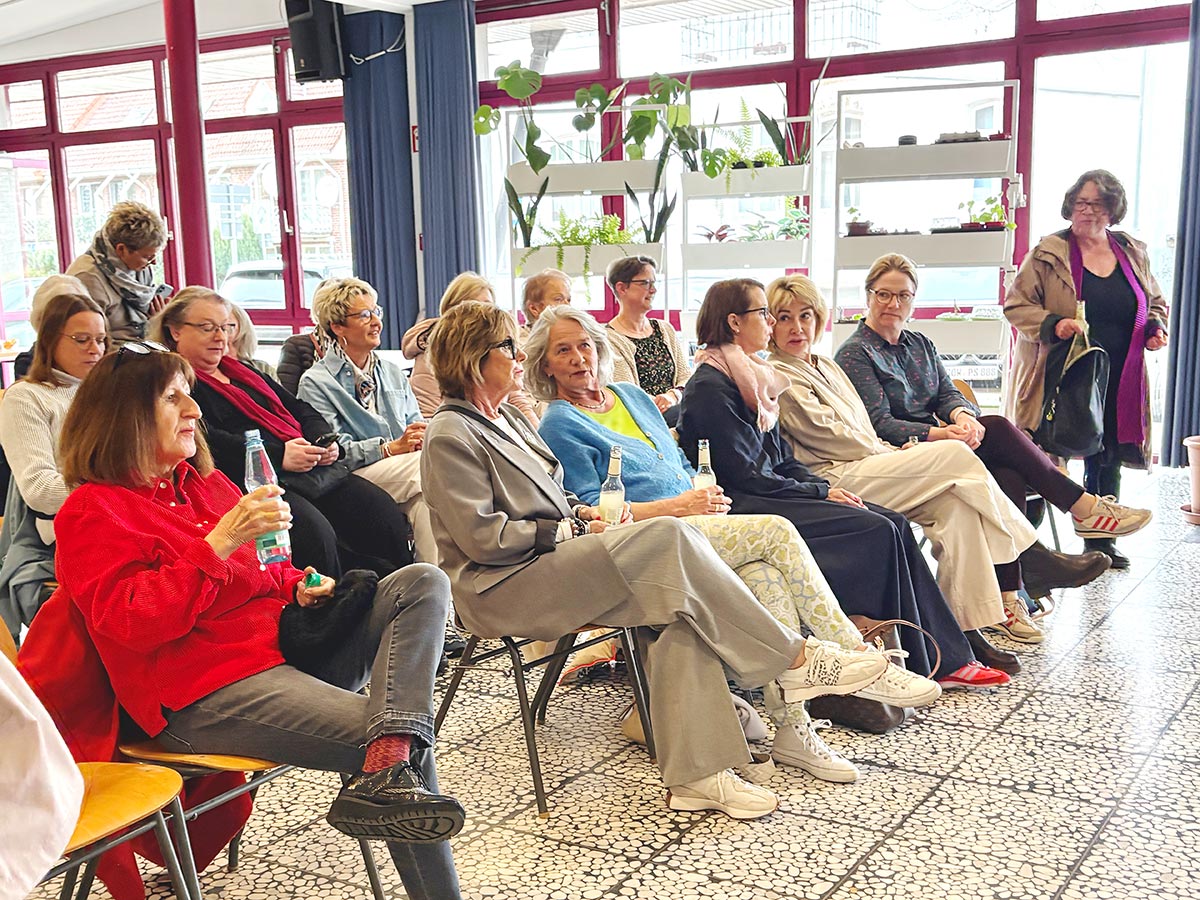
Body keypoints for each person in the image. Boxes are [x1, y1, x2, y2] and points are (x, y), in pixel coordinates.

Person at [421, 301, 894, 819]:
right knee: (669, 538)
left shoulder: (508, 416)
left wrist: (584, 514)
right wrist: (573, 526)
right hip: (503, 585)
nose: (516, 358)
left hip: (550, 560)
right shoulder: (450, 434)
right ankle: (797, 660)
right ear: (473, 360)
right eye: (508, 347)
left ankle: (699, 777)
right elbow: (485, 539)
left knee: (679, 608)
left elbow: (556, 495)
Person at [34, 345, 465, 898]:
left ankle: (387, 759)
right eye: (174, 397)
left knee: (423, 580)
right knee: (407, 749)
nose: (194, 410)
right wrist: (221, 540)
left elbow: (265, 569)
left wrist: (298, 586)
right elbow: (133, 622)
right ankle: (394, 771)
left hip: (283, 649)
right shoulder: (94, 511)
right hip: (196, 695)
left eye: (189, 392)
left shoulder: (202, 485)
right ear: (124, 416)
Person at [528, 305, 941, 782]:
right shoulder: (559, 423)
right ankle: (859, 658)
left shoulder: (631, 396)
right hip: (646, 544)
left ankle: (794, 731)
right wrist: (679, 507)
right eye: (563, 350)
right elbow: (593, 512)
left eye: (584, 345)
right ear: (545, 365)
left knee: (768, 579)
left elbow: (678, 467)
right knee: (777, 530)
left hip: (696, 524)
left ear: (600, 349)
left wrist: (702, 497)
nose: (579, 357)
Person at [766, 274, 1143, 656]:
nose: (797, 327)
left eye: (805, 316)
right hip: (837, 476)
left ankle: (962, 636)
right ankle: (1032, 553)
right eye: (784, 318)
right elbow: (831, 436)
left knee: (958, 507)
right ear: (769, 323)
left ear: (820, 317)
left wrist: (957, 418)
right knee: (960, 456)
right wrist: (906, 447)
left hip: (876, 461)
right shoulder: (781, 373)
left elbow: (875, 419)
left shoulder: (827, 364)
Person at [677, 279, 1010, 691]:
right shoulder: (711, 386)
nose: (768, 322)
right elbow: (745, 475)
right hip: (746, 503)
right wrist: (818, 490)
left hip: (773, 488)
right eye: (764, 313)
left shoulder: (751, 377)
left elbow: (781, 459)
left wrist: (819, 487)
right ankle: (886, 657)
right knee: (874, 528)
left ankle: (941, 656)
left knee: (891, 521)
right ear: (733, 322)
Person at [834, 253, 1149, 611]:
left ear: (913, 300)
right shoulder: (855, 354)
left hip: (945, 445)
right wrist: (942, 434)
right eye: (883, 294)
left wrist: (962, 416)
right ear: (868, 296)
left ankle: (1009, 597)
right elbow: (881, 424)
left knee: (1006, 471)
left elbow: (947, 392)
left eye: (903, 296)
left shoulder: (920, 343)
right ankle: (1082, 510)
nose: (893, 303)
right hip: (901, 455)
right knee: (997, 428)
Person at [150, 287, 413, 579]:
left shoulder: (242, 372)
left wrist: (324, 441)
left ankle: (402, 599)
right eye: (207, 328)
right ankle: (340, 611)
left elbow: (299, 408)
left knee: (380, 512)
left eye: (226, 327)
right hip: (251, 480)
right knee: (315, 535)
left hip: (309, 469)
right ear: (175, 331)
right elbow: (207, 440)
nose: (220, 337)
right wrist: (280, 455)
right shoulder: (175, 386)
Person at [1004, 170, 1168, 569]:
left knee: (1107, 450)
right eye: (1080, 202)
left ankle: (1101, 544)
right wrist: (1053, 325)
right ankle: (1029, 550)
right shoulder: (1047, 253)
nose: (1086, 211)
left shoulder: (1131, 251)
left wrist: (1155, 327)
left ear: (1112, 211)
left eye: (1096, 204)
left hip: (1120, 371)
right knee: (1047, 452)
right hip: (1061, 370)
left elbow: (1155, 299)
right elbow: (1016, 306)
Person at [297, 277, 437, 564]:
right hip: (354, 476)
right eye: (364, 315)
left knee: (426, 504)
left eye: (377, 312)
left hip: (405, 469)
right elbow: (331, 451)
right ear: (337, 326)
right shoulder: (316, 382)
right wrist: (387, 448)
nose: (377, 322)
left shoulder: (392, 371)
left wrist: (418, 437)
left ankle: (433, 590)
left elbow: (415, 421)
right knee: (430, 472)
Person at [0, 292, 106, 639]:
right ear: (49, 341)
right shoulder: (27, 396)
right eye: (82, 339)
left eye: (102, 340)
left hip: (118, 522)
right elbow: (41, 491)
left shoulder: (109, 393)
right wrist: (118, 488)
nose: (95, 349)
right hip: (61, 539)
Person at [402, 271, 539, 425]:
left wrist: (539, 438)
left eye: (488, 306)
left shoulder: (498, 351)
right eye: (474, 307)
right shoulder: (432, 358)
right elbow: (430, 419)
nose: (484, 315)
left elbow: (517, 400)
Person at [65, 201, 170, 344]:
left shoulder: (140, 268)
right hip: (113, 358)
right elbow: (89, 343)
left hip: (143, 348)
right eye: (147, 257)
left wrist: (156, 322)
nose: (154, 263)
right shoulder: (87, 277)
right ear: (121, 250)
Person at [605, 256, 691, 427]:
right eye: (645, 283)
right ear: (621, 288)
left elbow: (686, 376)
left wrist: (672, 396)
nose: (653, 290)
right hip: (643, 418)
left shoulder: (665, 329)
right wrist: (660, 402)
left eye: (653, 283)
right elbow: (627, 392)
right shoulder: (608, 338)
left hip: (676, 409)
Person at [226, 300, 279, 381]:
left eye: (226, 326)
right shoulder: (206, 372)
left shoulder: (263, 368)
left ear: (243, 327)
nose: (220, 332)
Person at [520, 268, 572, 339]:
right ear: (534, 308)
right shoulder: (521, 345)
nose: (567, 305)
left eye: (568, 300)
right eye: (558, 299)